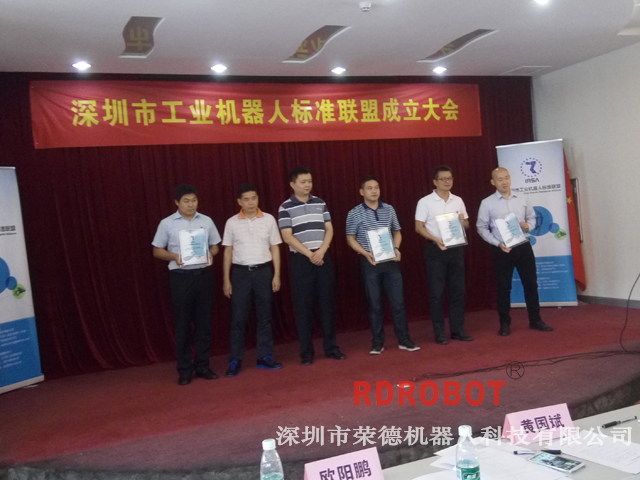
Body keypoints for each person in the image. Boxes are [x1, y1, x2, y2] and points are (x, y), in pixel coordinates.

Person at [152, 184, 221, 385]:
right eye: (186, 201)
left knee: (204, 324)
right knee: (182, 324)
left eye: (194, 200)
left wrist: (211, 254)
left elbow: (215, 246)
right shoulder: (167, 224)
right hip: (181, 278)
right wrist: (175, 256)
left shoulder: (206, 221)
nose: (191, 205)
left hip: (203, 276)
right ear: (177, 202)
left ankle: (203, 366)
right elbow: (157, 250)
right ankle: (184, 369)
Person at [278, 167, 347, 366]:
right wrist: (310, 254)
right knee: (303, 307)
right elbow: (287, 236)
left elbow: (329, 229)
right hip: (301, 261)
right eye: (303, 182)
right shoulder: (285, 207)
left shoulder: (320, 203)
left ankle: (331, 348)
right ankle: (306, 353)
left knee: (327, 305)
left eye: (309, 181)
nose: (307, 185)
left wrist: (322, 251)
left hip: (323, 257)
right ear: (292, 184)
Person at [346, 176, 420, 355]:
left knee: (398, 303)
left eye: (376, 187)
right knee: (375, 304)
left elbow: (397, 232)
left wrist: (396, 248)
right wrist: (365, 253)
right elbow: (350, 239)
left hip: (390, 262)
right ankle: (377, 342)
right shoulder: (354, 213)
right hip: (370, 262)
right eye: (369, 188)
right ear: (362, 192)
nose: (374, 191)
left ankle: (404, 340)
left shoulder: (389, 209)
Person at [476, 167, 553, 336]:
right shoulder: (487, 203)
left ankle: (535, 320)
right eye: (500, 179)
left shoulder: (522, 197)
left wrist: (528, 226)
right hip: (503, 249)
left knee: (531, 284)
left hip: (523, 246)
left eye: (506, 178)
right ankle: (504, 323)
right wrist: (497, 243)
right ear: (493, 182)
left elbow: (532, 217)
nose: (504, 182)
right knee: (504, 287)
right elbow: (481, 228)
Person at [221, 184, 283, 377]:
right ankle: (235, 360)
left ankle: (265, 356)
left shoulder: (269, 219)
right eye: (246, 199)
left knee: (264, 317)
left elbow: (275, 247)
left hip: (263, 272)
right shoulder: (231, 222)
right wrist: (226, 279)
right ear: (239, 201)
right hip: (240, 274)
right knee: (238, 318)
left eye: (253, 198)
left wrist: (277, 274)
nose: (250, 202)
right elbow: (227, 251)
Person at [415, 166, 472, 345]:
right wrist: (435, 239)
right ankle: (439, 333)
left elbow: (467, 224)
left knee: (458, 291)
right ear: (435, 182)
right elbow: (418, 227)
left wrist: (462, 221)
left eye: (450, 178)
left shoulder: (458, 200)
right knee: (437, 294)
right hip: (435, 250)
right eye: (443, 179)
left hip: (456, 249)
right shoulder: (425, 202)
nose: (447, 182)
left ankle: (457, 330)